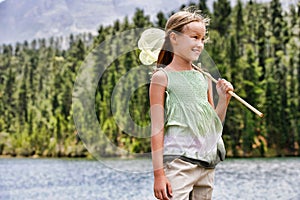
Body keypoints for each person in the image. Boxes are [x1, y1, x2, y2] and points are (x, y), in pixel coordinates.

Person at [149, 7, 234, 200]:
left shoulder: (202, 77)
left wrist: (224, 99)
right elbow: (157, 129)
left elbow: (212, 126)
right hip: (179, 163)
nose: (200, 44)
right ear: (174, 38)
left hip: (206, 164)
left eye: (203, 39)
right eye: (194, 37)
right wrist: (159, 175)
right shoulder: (162, 77)